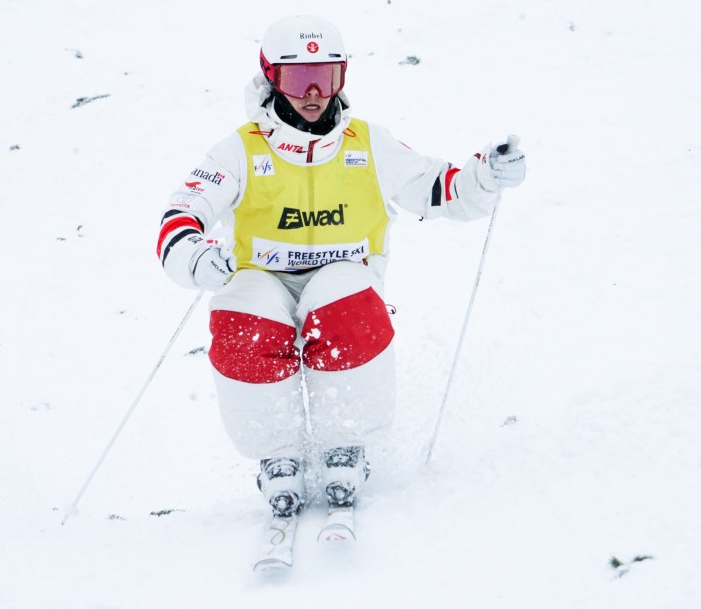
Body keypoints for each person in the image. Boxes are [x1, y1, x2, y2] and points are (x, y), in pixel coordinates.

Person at [156, 15, 525, 522]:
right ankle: (276, 453)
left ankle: (344, 443)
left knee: (346, 303)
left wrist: (485, 175)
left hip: (343, 275)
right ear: (271, 78)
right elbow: (183, 212)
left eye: (326, 78)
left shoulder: (367, 143)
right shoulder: (241, 149)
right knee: (246, 318)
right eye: (297, 79)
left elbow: (439, 187)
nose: (313, 93)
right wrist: (194, 253)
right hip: (262, 279)